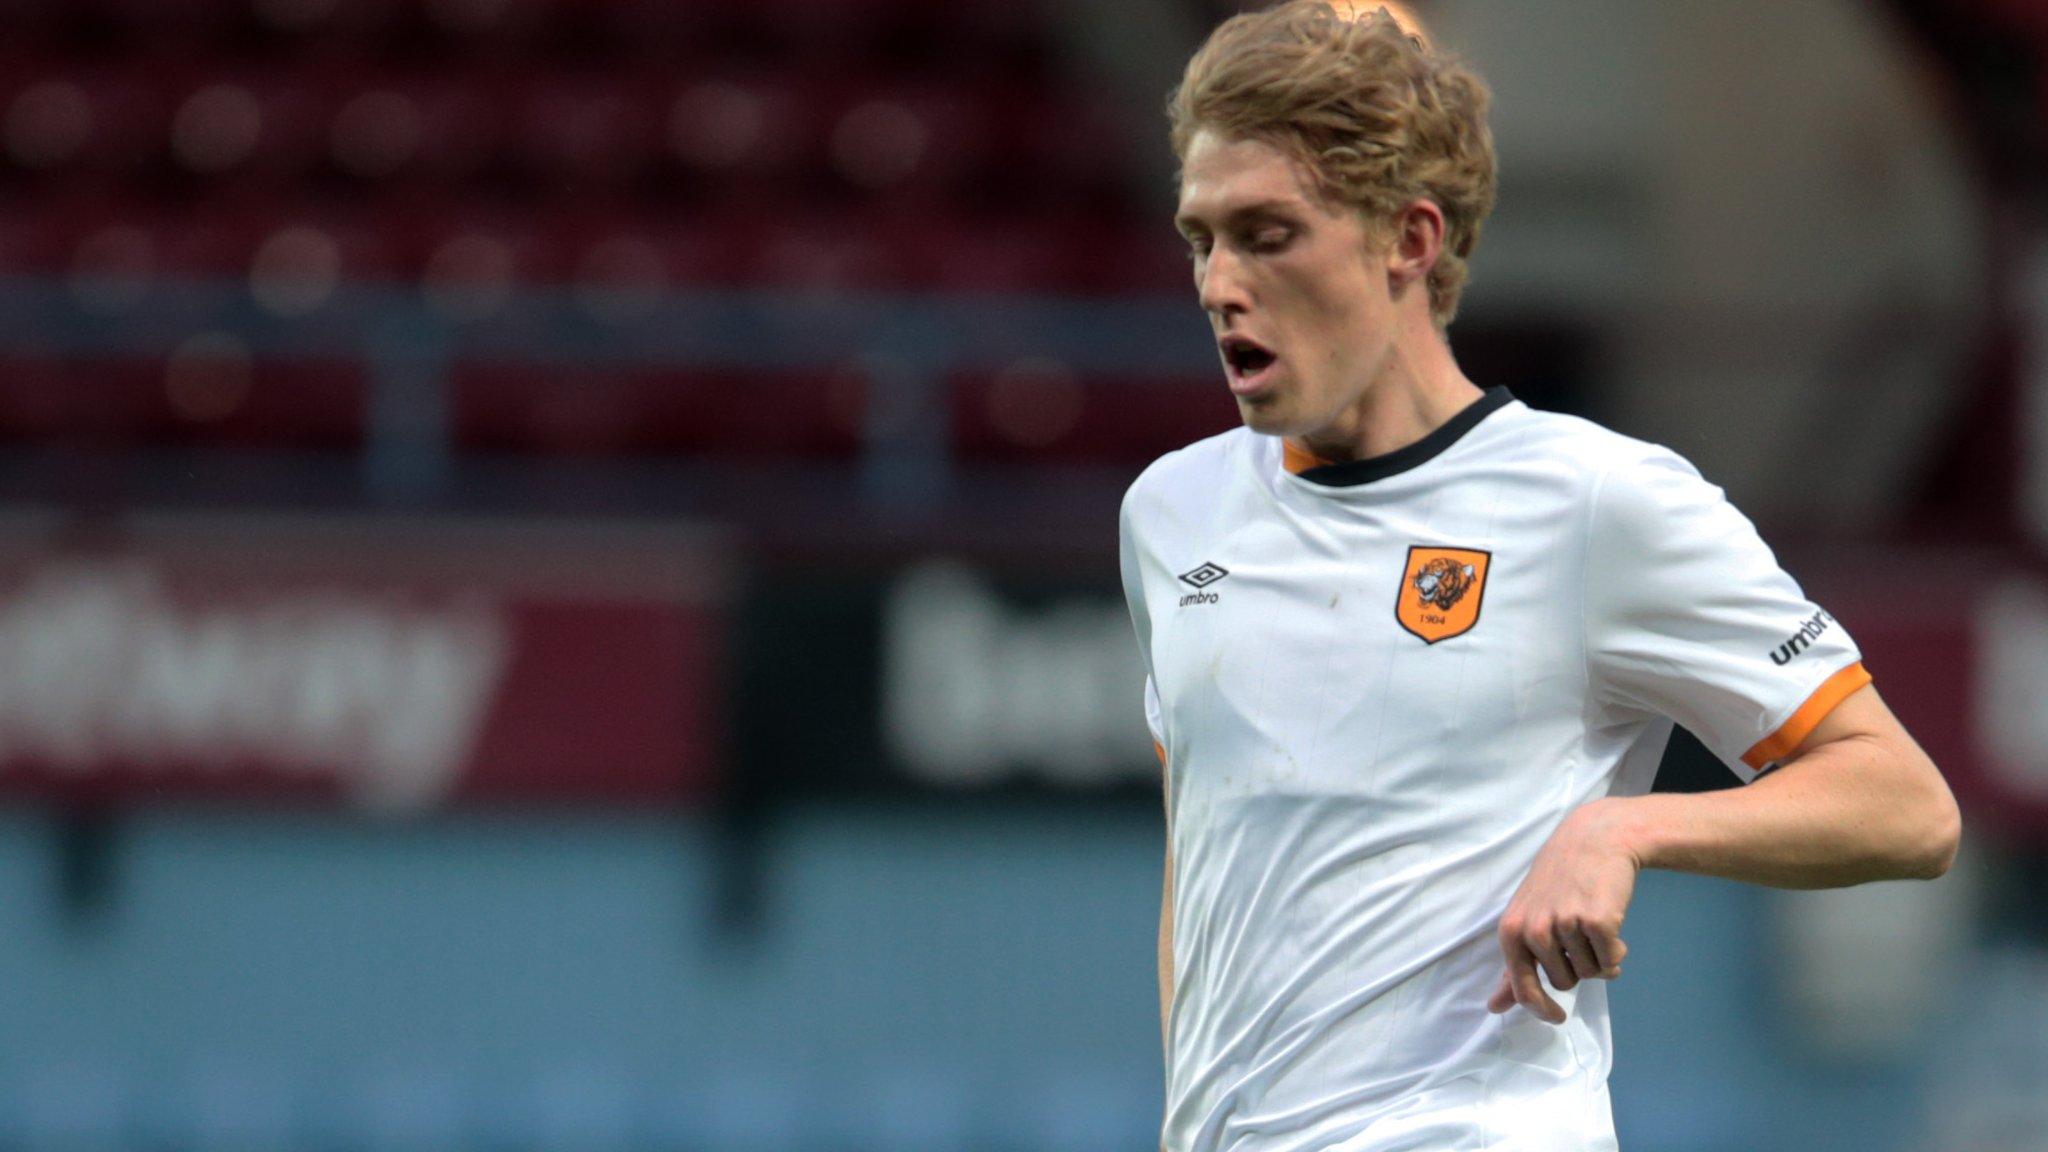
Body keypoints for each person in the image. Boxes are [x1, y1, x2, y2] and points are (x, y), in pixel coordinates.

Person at [1117, 4, 1963, 1150]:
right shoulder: (1171, 514)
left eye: (1267, 235)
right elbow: (1204, 860)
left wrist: (1621, 832)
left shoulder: (1596, 502)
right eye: (1200, 238)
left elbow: (1904, 806)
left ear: (1408, 241)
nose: (1218, 282)